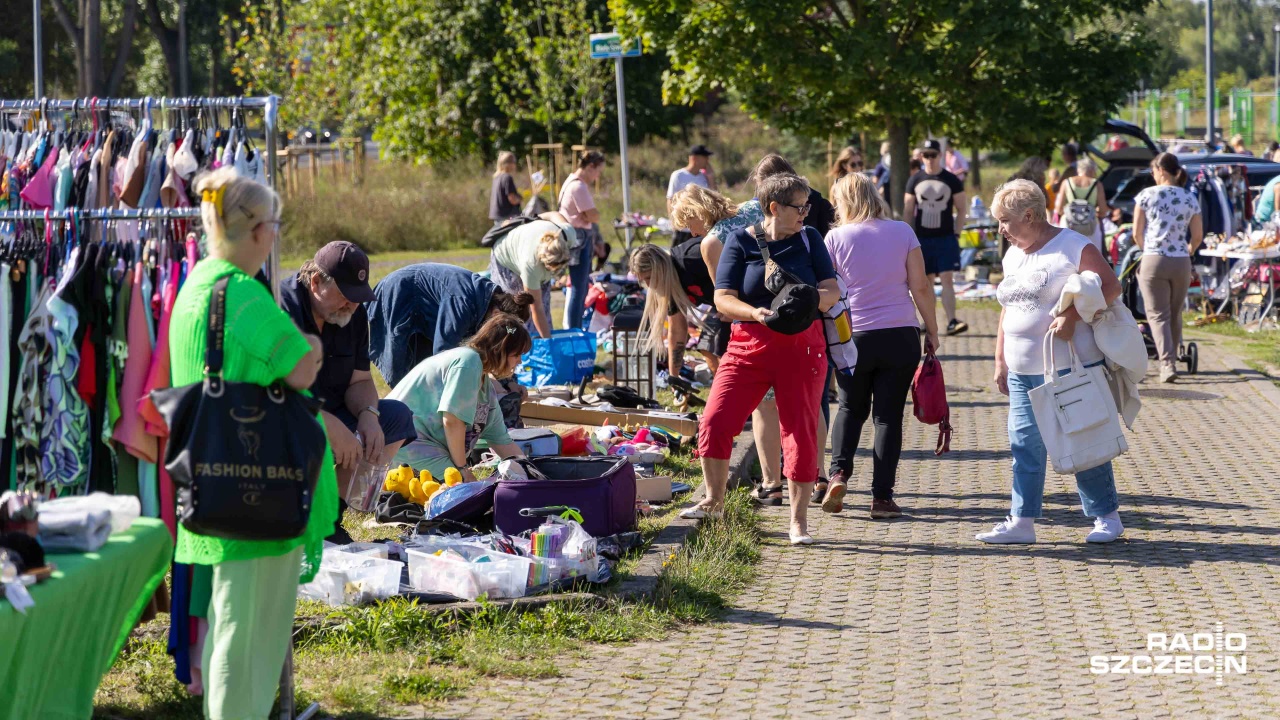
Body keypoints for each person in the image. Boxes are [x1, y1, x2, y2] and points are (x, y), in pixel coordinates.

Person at [169, 168, 331, 719]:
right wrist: (311, 340)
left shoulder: (194, 285)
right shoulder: (242, 295)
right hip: (260, 484)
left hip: (212, 478)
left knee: (227, 622)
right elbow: (303, 368)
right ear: (260, 231)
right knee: (250, 629)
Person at [688, 173, 840, 546]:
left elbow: (832, 289)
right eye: (799, 206)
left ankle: (798, 523)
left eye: (808, 205)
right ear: (774, 207)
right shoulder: (740, 240)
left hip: (802, 347)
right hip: (747, 346)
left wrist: (810, 300)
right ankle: (713, 500)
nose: (806, 212)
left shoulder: (811, 238)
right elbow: (723, 298)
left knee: (800, 433)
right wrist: (755, 313)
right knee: (715, 419)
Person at [982, 179, 1125, 544]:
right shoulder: (1013, 253)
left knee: (1083, 438)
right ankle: (1022, 521)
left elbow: (1111, 287)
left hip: (1069, 365)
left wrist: (1073, 316)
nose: (1000, 229)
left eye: (1004, 221)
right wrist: (1000, 359)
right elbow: (1008, 309)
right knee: (1023, 444)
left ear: (1028, 215)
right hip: (1021, 369)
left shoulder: (1074, 246)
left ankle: (1106, 517)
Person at [280, 242, 417, 543]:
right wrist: (328, 425)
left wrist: (369, 415)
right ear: (316, 282)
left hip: (334, 414)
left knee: (394, 418)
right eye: (345, 295)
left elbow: (360, 381)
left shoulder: (351, 314)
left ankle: (330, 520)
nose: (352, 305)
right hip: (286, 418)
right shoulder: (282, 308)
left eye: (357, 297)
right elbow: (275, 391)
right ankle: (295, 521)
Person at [821, 173, 939, 519]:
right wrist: (931, 329)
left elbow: (829, 292)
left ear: (842, 201)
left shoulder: (835, 238)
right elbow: (921, 287)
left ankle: (838, 474)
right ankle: (882, 498)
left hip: (853, 335)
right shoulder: (903, 231)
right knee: (888, 417)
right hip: (900, 333)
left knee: (849, 409)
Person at [665, 185, 787, 505]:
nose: (688, 231)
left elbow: (725, 300)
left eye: (687, 222)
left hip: (755, 325)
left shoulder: (711, 242)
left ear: (697, 213)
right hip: (791, 313)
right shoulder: (752, 207)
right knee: (801, 407)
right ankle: (814, 478)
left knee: (761, 407)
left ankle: (771, 482)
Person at [387, 314, 529, 480]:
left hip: (425, 446)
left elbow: (501, 440)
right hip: (404, 444)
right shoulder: (468, 362)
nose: (519, 361)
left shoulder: (484, 384)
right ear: (500, 349)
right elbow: (452, 420)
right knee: (463, 491)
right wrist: (462, 469)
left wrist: (531, 472)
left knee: (468, 490)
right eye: (517, 355)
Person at [366, 263, 535, 388]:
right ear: (498, 315)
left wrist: (508, 383)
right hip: (398, 296)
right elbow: (443, 355)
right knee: (405, 377)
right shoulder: (462, 303)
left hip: (424, 309)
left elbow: (496, 349)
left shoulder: (490, 304)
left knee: (427, 379)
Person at [1133, 153, 1203, 383]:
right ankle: (1173, 356)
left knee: (1157, 314)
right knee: (1174, 313)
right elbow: (1198, 236)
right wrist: (1188, 250)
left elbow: (1136, 233)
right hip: (1181, 261)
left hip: (1154, 259)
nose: (1153, 176)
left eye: (1153, 171)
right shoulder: (1190, 198)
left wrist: (1147, 249)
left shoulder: (1145, 196)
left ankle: (1167, 364)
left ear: (1161, 170)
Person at [904, 139, 968, 335]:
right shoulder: (915, 180)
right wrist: (907, 237)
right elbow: (908, 211)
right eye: (926, 155)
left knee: (947, 279)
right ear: (921, 157)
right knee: (926, 281)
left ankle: (951, 320)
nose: (929, 159)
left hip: (946, 237)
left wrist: (957, 233)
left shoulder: (951, 179)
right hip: (922, 239)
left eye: (933, 155)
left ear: (940, 155)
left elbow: (962, 208)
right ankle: (927, 322)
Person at [488, 212, 575, 338]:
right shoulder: (531, 264)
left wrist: (537, 217)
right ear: (543, 261)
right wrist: (549, 342)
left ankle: (538, 343)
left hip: (528, 248)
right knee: (514, 309)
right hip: (504, 256)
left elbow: (554, 214)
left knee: (544, 305)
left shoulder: (567, 234)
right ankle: (513, 343)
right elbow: (536, 308)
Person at [559, 151, 606, 330]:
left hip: (577, 236)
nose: (597, 176)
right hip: (579, 238)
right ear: (590, 166)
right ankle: (574, 329)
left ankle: (575, 327)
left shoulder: (570, 182)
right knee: (579, 288)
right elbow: (593, 215)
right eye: (597, 171)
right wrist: (593, 215)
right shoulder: (578, 186)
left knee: (580, 287)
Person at [1053, 157, 1111, 252]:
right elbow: (1103, 211)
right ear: (1092, 170)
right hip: (1090, 226)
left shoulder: (1067, 182)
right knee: (1092, 259)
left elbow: (1058, 209)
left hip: (1069, 225)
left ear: (1078, 169)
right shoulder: (1097, 184)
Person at [667, 144, 716, 246]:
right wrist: (674, 222)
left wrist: (711, 178)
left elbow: (714, 198)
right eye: (705, 157)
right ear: (695, 158)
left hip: (701, 227)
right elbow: (670, 200)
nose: (708, 160)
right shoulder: (678, 175)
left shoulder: (704, 176)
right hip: (684, 228)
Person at [489, 151, 523, 226]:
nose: (515, 165)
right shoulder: (507, 177)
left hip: (498, 216)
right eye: (514, 162)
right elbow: (512, 199)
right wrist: (520, 198)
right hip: (507, 216)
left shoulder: (496, 177)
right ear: (508, 164)